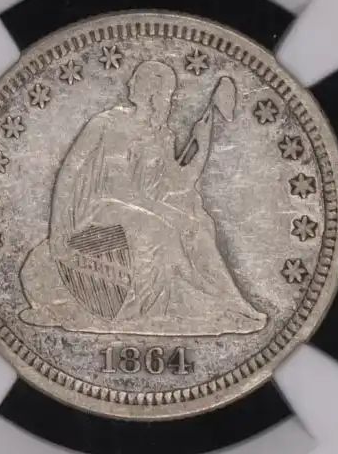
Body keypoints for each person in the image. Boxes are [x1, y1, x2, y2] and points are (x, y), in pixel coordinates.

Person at [18, 59, 268, 336]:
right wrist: (58, 230)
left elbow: (179, 185)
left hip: (138, 209)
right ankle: (189, 300)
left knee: (199, 226)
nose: (128, 83)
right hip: (100, 210)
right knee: (161, 228)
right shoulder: (108, 123)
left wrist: (202, 141)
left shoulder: (162, 136)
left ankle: (232, 303)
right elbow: (75, 174)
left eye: (136, 80)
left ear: (151, 91)